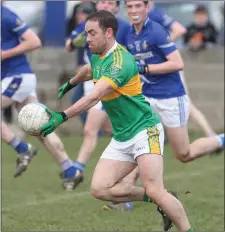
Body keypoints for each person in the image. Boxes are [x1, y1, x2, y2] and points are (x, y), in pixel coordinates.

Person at [41, 10, 194, 232]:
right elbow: (90, 69)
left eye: (92, 33)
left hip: (145, 130)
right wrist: (72, 82)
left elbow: (94, 96)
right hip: (123, 136)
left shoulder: (120, 62)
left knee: (154, 188)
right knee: (100, 189)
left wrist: (61, 116)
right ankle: (163, 199)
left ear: (109, 32)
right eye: (86, 33)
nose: (88, 38)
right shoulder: (98, 55)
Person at [103, 0, 224, 211]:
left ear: (147, 8)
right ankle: (126, 197)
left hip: (170, 97)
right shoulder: (126, 32)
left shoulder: (156, 31)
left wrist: (144, 68)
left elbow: (177, 63)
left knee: (184, 154)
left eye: (137, 6)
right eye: (129, 7)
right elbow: (118, 56)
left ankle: (221, 140)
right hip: (147, 97)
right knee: (139, 144)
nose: (133, 11)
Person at [1, 4, 77, 184]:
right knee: (40, 127)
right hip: (12, 79)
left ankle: (22, 148)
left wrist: (5, 55)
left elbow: (34, 41)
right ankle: (69, 169)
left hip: (18, 77)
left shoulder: (6, 16)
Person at [62, 1, 131, 190]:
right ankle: (133, 163)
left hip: (110, 85)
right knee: (111, 132)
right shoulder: (89, 23)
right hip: (90, 82)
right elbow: (70, 43)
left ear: (117, 7)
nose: (106, 5)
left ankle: (76, 170)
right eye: (103, 1)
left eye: (111, 2)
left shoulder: (124, 28)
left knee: (90, 129)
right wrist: (72, 42)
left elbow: (128, 57)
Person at [148, 0, 216, 138]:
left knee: (186, 103)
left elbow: (180, 30)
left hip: (169, 65)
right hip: (158, 67)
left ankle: (212, 135)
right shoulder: (142, 15)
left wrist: (160, 47)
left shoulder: (154, 13)